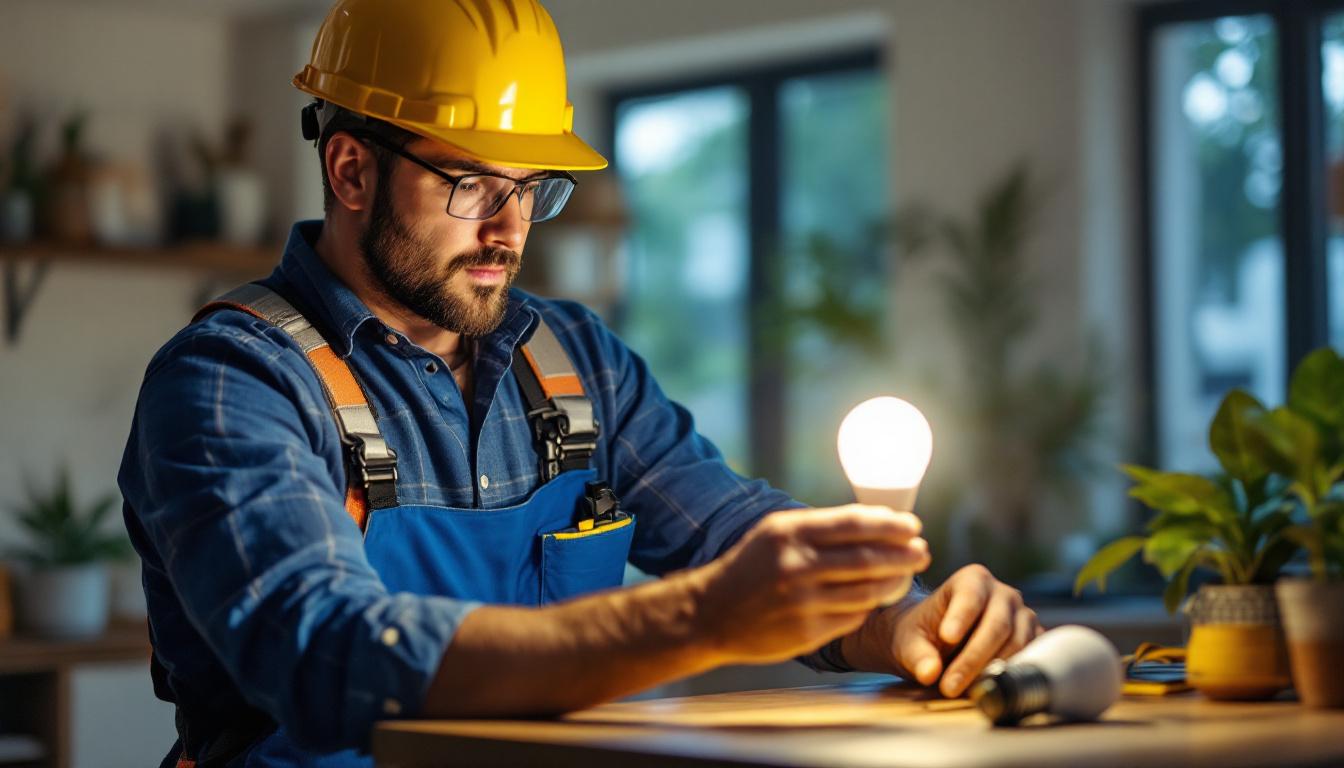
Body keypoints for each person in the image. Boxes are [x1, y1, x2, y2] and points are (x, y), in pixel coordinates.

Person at [117, 1, 1039, 766]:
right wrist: (702, 617)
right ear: (351, 167)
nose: (509, 229)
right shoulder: (230, 382)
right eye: (471, 183)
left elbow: (728, 533)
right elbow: (326, 652)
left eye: (531, 187)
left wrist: (901, 623)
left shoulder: (575, 364)